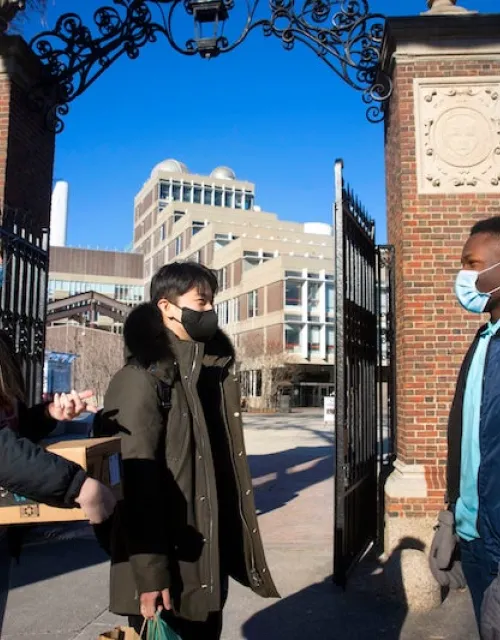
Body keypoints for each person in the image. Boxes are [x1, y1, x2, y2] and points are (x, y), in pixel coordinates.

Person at [99, 262, 278, 639]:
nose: (210, 311)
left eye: (212, 302)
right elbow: (137, 486)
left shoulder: (207, 375)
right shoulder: (140, 382)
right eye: (202, 301)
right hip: (167, 574)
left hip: (204, 562)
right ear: (166, 307)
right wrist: (150, 577)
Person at [448, 215, 500, 631]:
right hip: (474, 536)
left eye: (471, 263)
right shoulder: (483, 339)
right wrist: (452, 512)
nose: (462, 275)